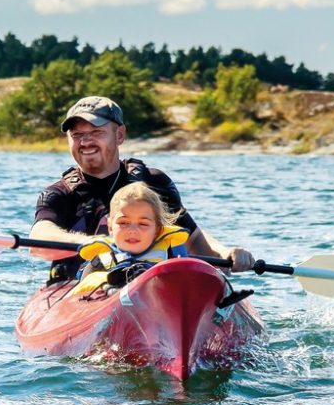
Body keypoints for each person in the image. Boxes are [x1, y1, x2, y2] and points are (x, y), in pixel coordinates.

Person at [31, 95, 254, 282]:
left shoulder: (153, 182)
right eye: (77, 135)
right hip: (80, 291)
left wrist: (226, 253)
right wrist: (87, 242)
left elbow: (191, 237)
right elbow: (39, 238)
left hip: (152, 285)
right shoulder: (58, 194)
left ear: (119, 135)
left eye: (96, 132)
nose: (85, 142)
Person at [70, 182, 190, 293]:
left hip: (155, 294)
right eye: (123, 223)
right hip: (112, 292)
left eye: (143, 224)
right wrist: (105, 285)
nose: (132, 230)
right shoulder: (100, 260)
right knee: (96, 278)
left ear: (157, 231)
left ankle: (138, 275)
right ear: (110, 227)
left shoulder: (172, 256)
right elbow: (82, 289)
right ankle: (115, 280)